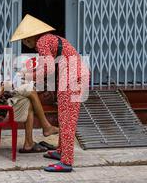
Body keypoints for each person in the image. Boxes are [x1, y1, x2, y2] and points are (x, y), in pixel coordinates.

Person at [11, 15, 90, 173]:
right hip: (73, 75)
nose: (27, 45)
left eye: (26, 40)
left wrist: (28, 76)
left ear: (32, 36)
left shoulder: (42, 42)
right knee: (63, 116)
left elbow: (47, 69)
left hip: (72, 77)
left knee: (67, 119)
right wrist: (31, 73)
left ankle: (66, 161)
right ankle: (60, 151)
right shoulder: (48, 39)